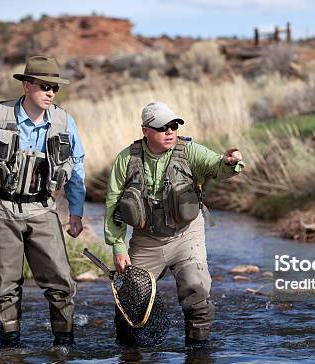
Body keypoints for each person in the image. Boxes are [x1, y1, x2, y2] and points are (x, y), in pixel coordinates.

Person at [0, 55, 86, 348]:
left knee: (61, 283)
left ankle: (64, 346)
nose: (50, 93)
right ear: (27, 85)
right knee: (5, 287)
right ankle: (10, 347)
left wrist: (76, 211)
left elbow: (77, 166)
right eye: (45, 86)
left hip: (44, 209)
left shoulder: (63, 121)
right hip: (2, 210)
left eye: (55, 88)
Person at [104, 101, 244, 346]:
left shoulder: (190, 151)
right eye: (162, 127)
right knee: (130, 301)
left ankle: (198, 356)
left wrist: (229, 162)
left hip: (186, 235)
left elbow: (216, 166)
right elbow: (113, 204)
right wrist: (118, 246)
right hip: (146, 240)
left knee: (196, 289)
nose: (170, 131)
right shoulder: (126, 159)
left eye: (173, 126)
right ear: (145, 130)